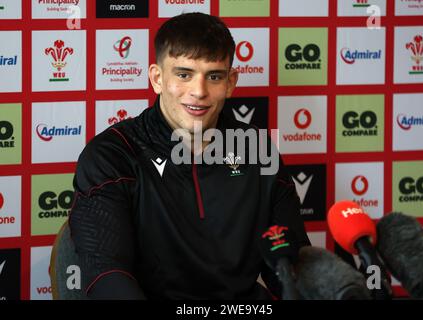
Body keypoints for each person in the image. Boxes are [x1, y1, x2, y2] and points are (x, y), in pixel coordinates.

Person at [69, 12, 310, 300]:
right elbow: (106, 274)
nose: (199, 91)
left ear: (230, 82)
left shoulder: (257, 149)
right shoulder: (113, 154)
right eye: (184, 75)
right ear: (157, 79)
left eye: (214, 76)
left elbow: (289, 265)